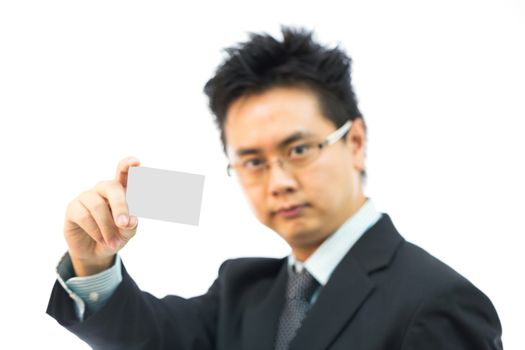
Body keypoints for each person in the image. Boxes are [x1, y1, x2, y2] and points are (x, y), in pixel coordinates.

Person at [46, 27, 503, 349]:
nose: (278, 181)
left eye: (300, 149)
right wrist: (94, 260)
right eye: (252, 161)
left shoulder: (439, 303)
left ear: (356, 142)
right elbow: (147, 339)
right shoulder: (243, 290)